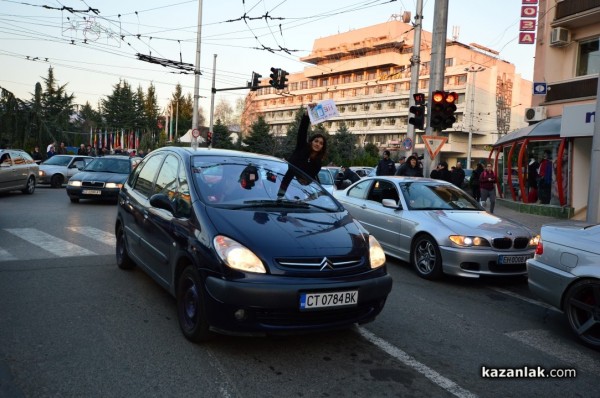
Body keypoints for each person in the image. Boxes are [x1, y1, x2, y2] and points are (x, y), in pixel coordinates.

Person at [278, 109, 327, 196]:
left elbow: (307, 180)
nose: (318, 144)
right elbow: (302, 131)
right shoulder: (301, 148)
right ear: (311, 142)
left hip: (301, 193)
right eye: (316, 141)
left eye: (321, 143)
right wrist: (307, 115)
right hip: (284, 187)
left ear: (322, 147)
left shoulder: (318, 163)